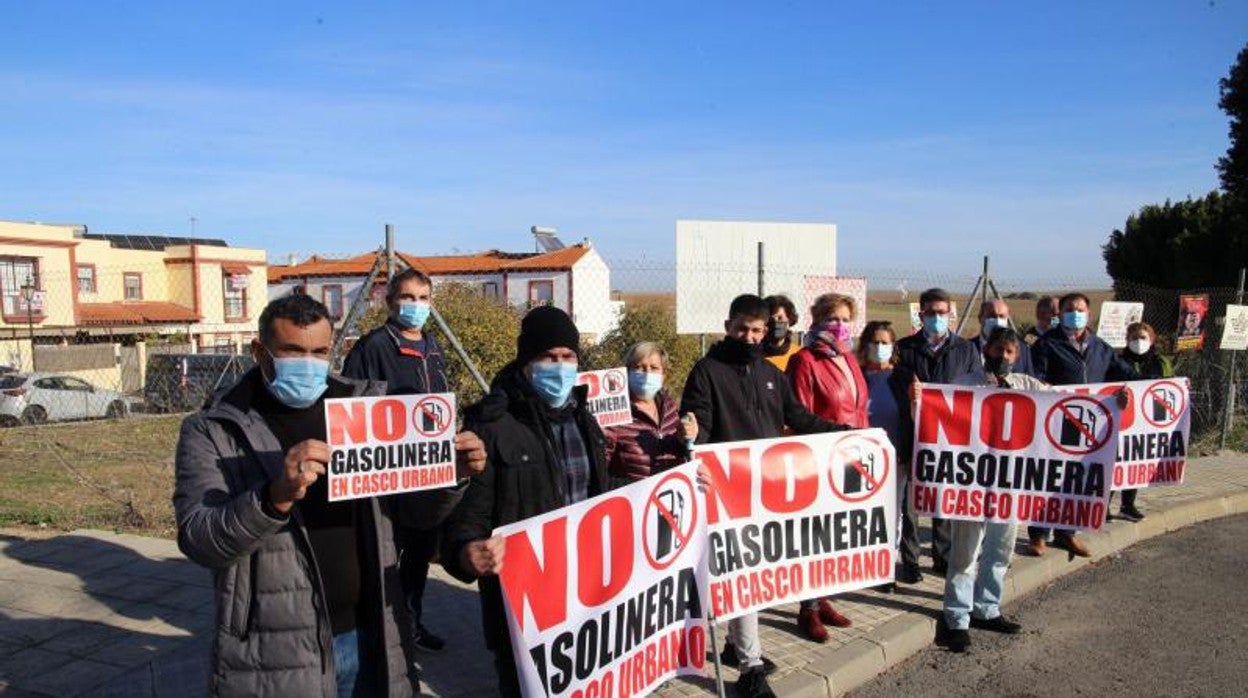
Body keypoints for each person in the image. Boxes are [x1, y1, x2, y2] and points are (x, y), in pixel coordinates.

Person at [173, 294, 486, 697]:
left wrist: (451, 475)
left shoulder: (363, 410)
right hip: (274, 647)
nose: (307, 363)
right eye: (292, 351)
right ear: (260, 352)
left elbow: (414, 515)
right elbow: (200, 539)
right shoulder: (213, 429)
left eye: (319, 352)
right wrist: (272, 498)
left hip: (372, 633)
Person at [441, 306, 614, 697]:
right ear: (526, 361)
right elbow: (467, 516)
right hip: (526, 614)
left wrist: (674, 483)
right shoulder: (491, 425)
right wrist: (466, 553)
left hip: (585, 597)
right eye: (548, 357)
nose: (560, 366)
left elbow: (600, 490)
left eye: (568, 356)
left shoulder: (584, 420)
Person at [681, 293, 848, 698]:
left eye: (757, 330)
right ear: (728, 326)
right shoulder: (706, 371)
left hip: (768, 495)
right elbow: (700, 431)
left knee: (754, 577)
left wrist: (845, 434)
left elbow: (798, 417)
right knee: (742, 577)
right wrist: (691, 438)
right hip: (726, 496)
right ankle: (751, 668)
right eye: (742, 329)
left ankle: (735, 646)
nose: (750, 337)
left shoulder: (771, 372)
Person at [341, 268, 450, 656]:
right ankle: (377, 633)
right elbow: (351, 407)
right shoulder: (373, 347)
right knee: (383, 553)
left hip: (427, 472)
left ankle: (411, 623)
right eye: (407, 298)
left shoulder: (434, 346)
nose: (415, 306)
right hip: (386, 472)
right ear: (389, 303)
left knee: (419, 553)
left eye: (423, 298)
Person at [940, 328, 1036, 652]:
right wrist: (919, 401)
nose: (1003, 357)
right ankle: (957, 618)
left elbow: (1068, 403)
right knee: (965, 554)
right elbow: (939, 417)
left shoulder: (1028, 386)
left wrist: (1113, 402)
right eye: (998, 350)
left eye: (1009, 351)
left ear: (1017, 356)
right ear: (986, 350)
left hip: (1009, 486)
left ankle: (987, 608)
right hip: (972, 485)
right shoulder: (965, 384)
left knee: (1000, 550)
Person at [1030, 292, 1138, 557]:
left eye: (1080, 310)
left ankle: (1066, 533)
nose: (1075, 314)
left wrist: (1163, 383)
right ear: (1060, 314)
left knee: (1077, 480)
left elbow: (1127, 375)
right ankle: (1038, 534)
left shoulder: (1101, 347)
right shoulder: (1046, 344)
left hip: (1089, 426)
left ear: (1089, 315)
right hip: (1056, 421)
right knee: (1049, 477)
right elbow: (1035, 377)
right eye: (1069, 309)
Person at [785, 293, 867, 641]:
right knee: (813, 537)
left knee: (833, 537)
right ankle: (807, 609)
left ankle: (823, 597)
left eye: (846, 319)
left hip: (851, 457)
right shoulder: (805, 360)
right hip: (820, 459)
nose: (840, 325)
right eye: (833, 318)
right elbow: (800, 415)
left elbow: (859, 409)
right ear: (817, 319)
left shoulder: (848, 357)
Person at [890, 288, 986, 576]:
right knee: (910, 501)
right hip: (912, 432)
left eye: (941, 313)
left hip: (949, 437)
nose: (936, 318)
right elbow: (894, 385)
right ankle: (910, 561)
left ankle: (942, 557)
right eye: (931, 313)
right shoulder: (904, 348)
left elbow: (976, 389)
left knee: (942, 496)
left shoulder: (965, 349)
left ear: (950, 315)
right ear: (921, 316)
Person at [856, 320, 916, 585]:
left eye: (884, 343)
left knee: (892, 514)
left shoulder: (904, 377)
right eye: (875, 342)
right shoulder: (855, 374)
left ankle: (886, 567)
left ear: (893, 347)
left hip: (895, 457)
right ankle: (862, 564)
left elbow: (915, 415)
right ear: (865, 345)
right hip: (858, 458)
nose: (879, 347)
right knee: (863, 513)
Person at [604, 341, 698, 482]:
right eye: (639, 367)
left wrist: (685, 437)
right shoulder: (615, 414)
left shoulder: (669, 406)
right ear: (626, 373)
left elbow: (679, 449)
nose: (647, 374)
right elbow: (602, 468)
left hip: (674, 487)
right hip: (634, 493)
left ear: (664, 374)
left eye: (654, 368)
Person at [1115, 321, 1173, 522]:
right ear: (1127, 340)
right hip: (1122, 418)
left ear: (1152, 340)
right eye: (1134, 338)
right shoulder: (1117, 361)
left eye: (1143, 337)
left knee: (1136, 461)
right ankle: (1105, 505)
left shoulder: (1161, 362)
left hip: (1148, 421)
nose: (1138, 341)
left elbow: (1170, 386)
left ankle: (1128, 505)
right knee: (1116, 462)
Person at [970, 299, 1034, 377]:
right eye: (992, 316)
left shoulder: (1023, 349)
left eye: (1002, 316)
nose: (997, 320)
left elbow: (1029, 381)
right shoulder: (966, 348)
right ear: (980, 318)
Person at [762, 294, 801, 371]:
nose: (775, 322)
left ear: (789, 320)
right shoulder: (755, 353)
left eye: (780, 318)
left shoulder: (797, 353)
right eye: (770, 319)